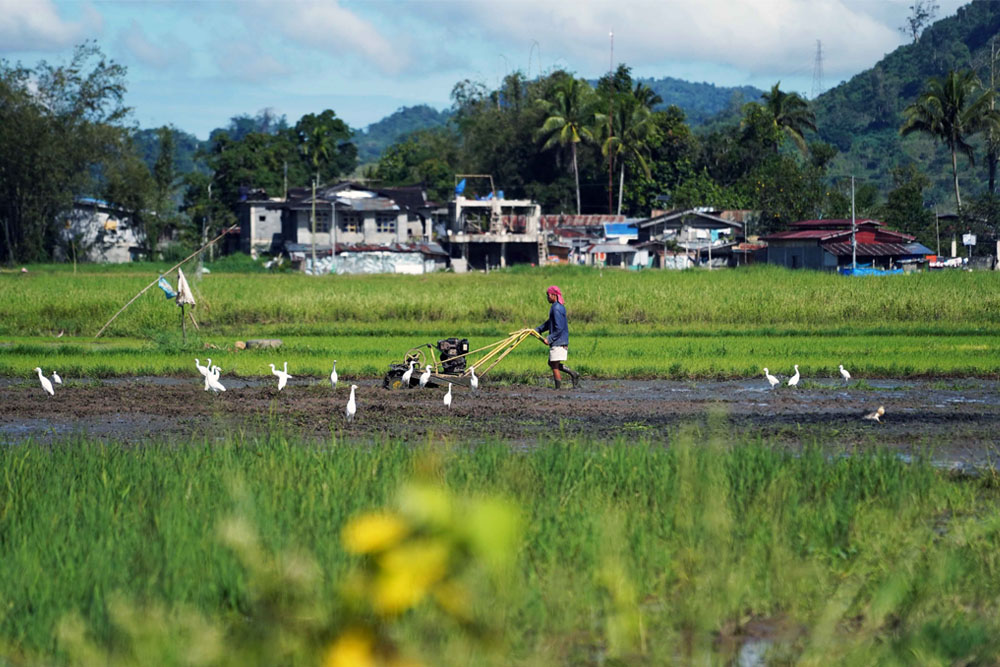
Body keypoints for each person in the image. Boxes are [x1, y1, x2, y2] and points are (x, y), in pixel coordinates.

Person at [535, 285, 580, 389]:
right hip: (559, 340)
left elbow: (559, 328)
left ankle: (558, 389)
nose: (547, 297)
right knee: (551, 363)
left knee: (554, 365)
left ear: (554, 295)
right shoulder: (556, 307)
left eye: (548, 295)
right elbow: (550, 323)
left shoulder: (556, 308)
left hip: (559, 341)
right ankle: (573, 374)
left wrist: (549, 338)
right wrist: (538, 329)